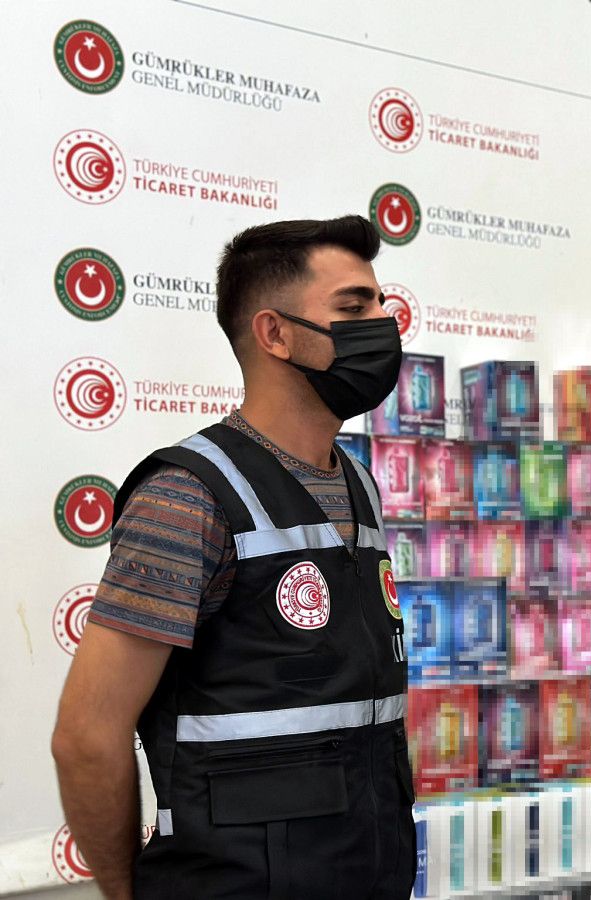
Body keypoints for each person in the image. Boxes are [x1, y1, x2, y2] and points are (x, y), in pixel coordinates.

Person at [51, 216, 416, 899]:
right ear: (275, 333)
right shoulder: (188, 496)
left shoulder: (358, 485)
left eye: (380, 303)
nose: (382, 324)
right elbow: (87, 736)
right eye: (353, 307)